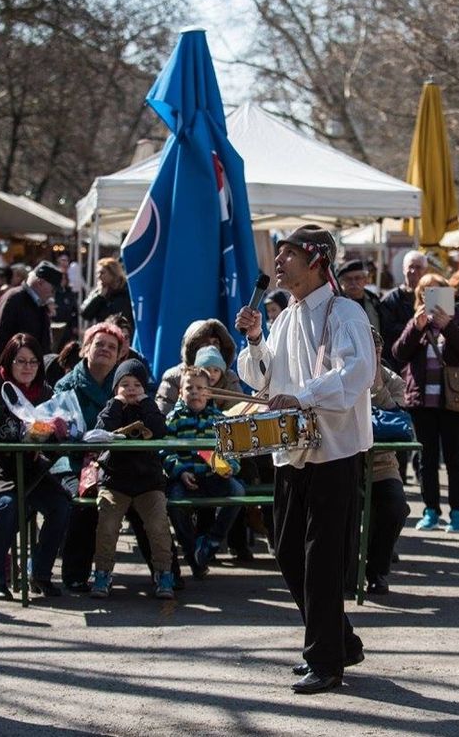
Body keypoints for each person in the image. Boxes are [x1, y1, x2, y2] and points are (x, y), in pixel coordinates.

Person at [235, 224, 375, 694]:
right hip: (292, 450)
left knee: (322, 558)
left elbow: (357, 372)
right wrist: (255, 340)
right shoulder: (287, 317)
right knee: (289, 551)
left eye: (288, 254)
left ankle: (326, 660)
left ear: (316, 260)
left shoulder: (345, 311)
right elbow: (262, 379)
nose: (278, 263)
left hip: (334, 450)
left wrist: (302, 396)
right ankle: (341, 641)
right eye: (278, 255)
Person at [0, 334, 71, 600]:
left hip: (31, 466)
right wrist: (26, 429)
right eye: (21, 361)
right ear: (8, 362)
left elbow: (54, 431)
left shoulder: (45, 391)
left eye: (33, 362)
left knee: (61, 505)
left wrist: (58, 429)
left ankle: (40, 573)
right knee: (9, 504)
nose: (27, 367)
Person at [393, 273, 459, 532]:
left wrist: (448, 326)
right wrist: (415, 328)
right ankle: (431, 510)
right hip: (422, 401)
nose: (431, 297)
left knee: (456, 459)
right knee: (426, 459)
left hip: (454, 400)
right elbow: (398, 353)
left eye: (437, 291)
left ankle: (457, 512)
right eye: (425, 292)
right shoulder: (417, 322)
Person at [89, 358, 175, 600]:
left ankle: (164, 572)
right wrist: (116, 404)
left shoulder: (150, 408)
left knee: (158, 526)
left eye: (137, 384)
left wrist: (146, 402)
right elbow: (102, 430)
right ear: (115, 388)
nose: (131, 389)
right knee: (107, 525)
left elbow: (159, 430)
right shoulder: (111, 408)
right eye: (124, 384)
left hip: (148, 481)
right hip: (115, 480)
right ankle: (103, 572)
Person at [52, 321, 126, 592]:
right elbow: (59, 430)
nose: (105, 350)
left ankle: (164, 572)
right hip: (72, 461)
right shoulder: (66, 385)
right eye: (99, 344)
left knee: (145, 494)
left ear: (120, 355)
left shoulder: (123, 384)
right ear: (85, 349)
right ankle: (75, 573)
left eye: (112, 347)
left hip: (114, 459)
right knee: (84, 503)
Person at [163, 368, 245, 576]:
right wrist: (180, 471)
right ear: (180, 392)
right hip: (186, 478)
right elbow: (166, 451)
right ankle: (191, 551)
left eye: (201, 388)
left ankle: (212, 540)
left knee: (238, 492)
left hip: (213, 477)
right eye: (189, 388)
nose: (195, 392)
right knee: (174, 502)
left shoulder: (219, 419)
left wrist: (230, 468)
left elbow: (233, 450)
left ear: (209, 393)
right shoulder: (173, 419)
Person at [364, 326, 412, 594]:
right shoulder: (336, 375)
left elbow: (397, 417)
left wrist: (375, 384)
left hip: (381, 463)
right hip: (343, 460)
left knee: (395, 507)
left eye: (377, 350)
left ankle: (378, 569)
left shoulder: (392, 380)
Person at [154, 318, 243, 414]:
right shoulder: (174, 378)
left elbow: (238, 416)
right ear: (192, 347)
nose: (211, 347)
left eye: (215, 343)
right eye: (204, 343)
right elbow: (162, 415)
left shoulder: (228, 378)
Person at [0, 262, 62, 368]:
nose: (52, 294)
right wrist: (12, 369)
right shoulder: (14, 299)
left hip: (26, 375)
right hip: (7, 376)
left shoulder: (39, 304)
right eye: (53, 289)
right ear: (40, 282)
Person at [378, 250, 429, 372]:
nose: (414, 271)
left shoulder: (434, 296)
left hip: (429, 363)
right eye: (410, 267)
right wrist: (416, 328)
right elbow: (386, 331)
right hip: (399, 363)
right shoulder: (389, 300)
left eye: (418, 267)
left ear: (426, 271)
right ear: (403, 269)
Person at [80, 257, 133, 327]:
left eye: (102, 273)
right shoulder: (98, 292)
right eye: (97, 273)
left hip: (124, 333)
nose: (99, 276)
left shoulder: (127, 291)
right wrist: (100, 297)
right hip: (104, 333)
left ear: (113, 273)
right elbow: (85, 314)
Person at [338, 259, 382, 334]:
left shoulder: (373, 300)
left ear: (365, 280)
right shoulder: (336, 303)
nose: (353, 282)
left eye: (357, 278)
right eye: (348, 279)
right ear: (342, 282)